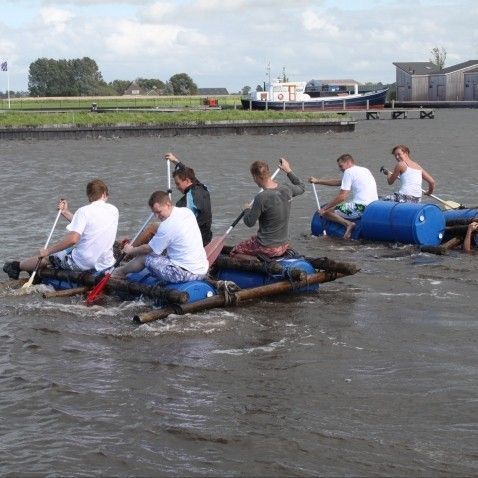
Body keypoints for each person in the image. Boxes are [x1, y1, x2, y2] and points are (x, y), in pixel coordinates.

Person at [3, 179, 119, 280]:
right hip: (106, 263)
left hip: (83, 264)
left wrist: (48, 251)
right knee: (67, 252)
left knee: (47, 258)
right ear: (104, 194)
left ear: (89, 196)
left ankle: (16, 266)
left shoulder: (84, 211)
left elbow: (73, 239)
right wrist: (65, 212)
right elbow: (90, 225)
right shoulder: (114, 210)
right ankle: (30, 268)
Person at [113, 190, 209, 284]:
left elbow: (147, 249)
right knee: (157, 239)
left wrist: (131, 250)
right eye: (154, 213)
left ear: (168, 204)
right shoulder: (186, 212)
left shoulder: (167, 226)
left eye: (158, 212)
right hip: (202, 270)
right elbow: (172, 230)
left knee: (144, 256)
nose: (156, 216)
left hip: (185, 274)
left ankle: (120, 272)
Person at [132, 152, 212, 247]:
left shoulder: (188, 199)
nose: (177, 187)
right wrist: (175, 161)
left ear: (187, 181)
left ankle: (128, 251)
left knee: (152, 227)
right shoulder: (202, 187)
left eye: (178, 184)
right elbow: (190, 174)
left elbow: (176, 222)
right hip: (207, 236)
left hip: (195, 239)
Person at [229, 157, 305, 258]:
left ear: (256, 177)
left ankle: (256, 266)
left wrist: (246, 209)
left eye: (253, 177)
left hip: (268, 248)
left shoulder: (261, 198)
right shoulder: (287, 188)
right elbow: (302, 187)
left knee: (235, 250)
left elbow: (249, 223)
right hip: (284, 245)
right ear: (268, 173)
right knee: (254, 239)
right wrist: (288, 170)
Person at [309, 153, 378, 239]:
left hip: (360, 207)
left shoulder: (348, 172)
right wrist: (318, 181)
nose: (340, 169)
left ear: (348, 162)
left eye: (341, 166)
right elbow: (339, 182)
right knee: (335, 207)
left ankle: (348, 224)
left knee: (326, 213)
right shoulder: (364, 170)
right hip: (373, 208)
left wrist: (324, 208)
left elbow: (342, 197)